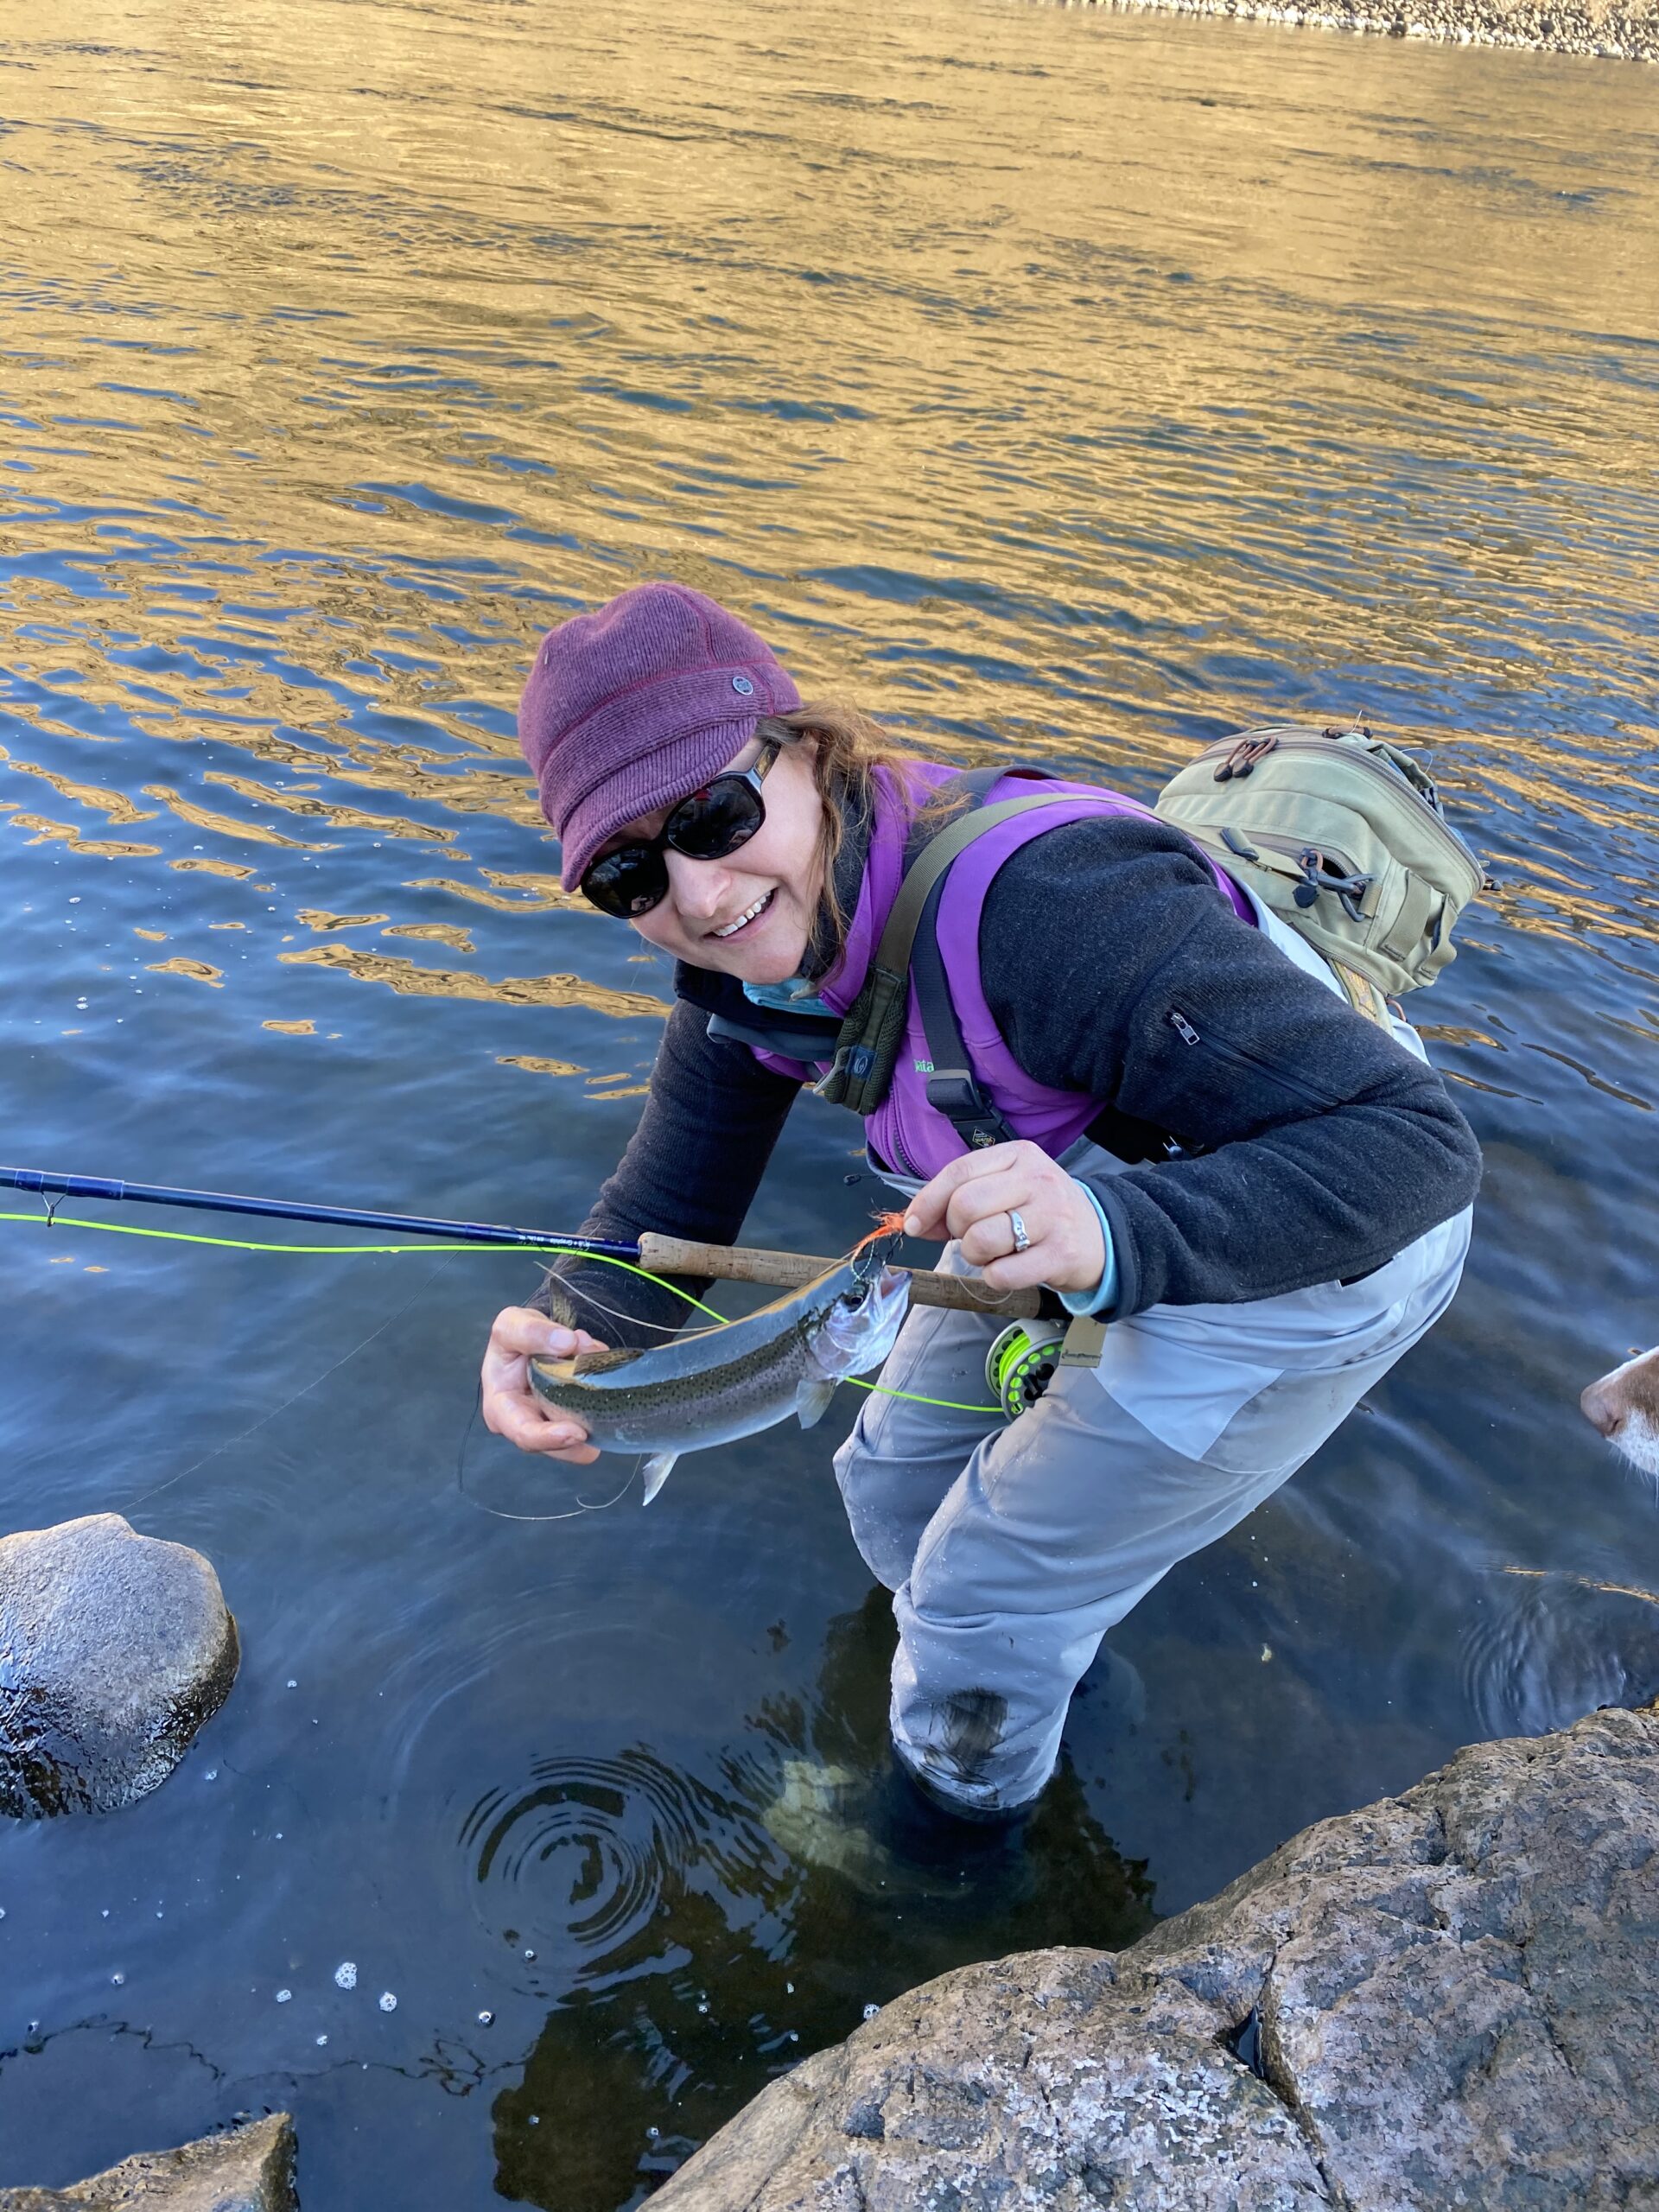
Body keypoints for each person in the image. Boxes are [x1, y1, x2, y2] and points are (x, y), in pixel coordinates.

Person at [481, 582, 1480, 1827]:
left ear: (807, 754)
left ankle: (950, 1854)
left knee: (979, 1592)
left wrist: (1116, 1238)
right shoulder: (740, 972)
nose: (696, 892)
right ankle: (1017, 1664)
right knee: (893, 1494)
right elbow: (669, 1197)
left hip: (1327, 1224)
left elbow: (1418, 1147)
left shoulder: (1054, 913)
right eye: (628, 873)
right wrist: (571, 1332)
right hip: (1075, 1189)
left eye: (715, 812)